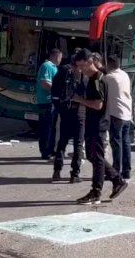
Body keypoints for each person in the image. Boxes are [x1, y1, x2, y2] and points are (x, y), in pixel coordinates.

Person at [71, 49, 128, 205]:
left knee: (97, 158)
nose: (80, 69)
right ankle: (117, 180)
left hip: (98, 124)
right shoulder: (92, 78)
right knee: (93, 156)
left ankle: (96, 192)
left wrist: (79, 100)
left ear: (90, 62)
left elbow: (98, 104)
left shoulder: (97, 79)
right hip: (93, 124)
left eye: (82, 66)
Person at [52, 54, 85, 183]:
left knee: (62, 142)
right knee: (78, 144)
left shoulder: (61, 73)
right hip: (79, 112)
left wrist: (60, 109)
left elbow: (54, 94)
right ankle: (74, 174)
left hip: (65, 111)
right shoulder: (83, 75)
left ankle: (57, 171)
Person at [105, 55, 134, 180]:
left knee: (116, 143)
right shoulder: (124, 75)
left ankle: (115, 171)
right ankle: (126, 170)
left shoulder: (109, 77)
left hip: (116, 114)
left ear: (109, 64)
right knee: (125, 143)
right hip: (127, 113)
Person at [36, 48, 62, 160]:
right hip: (46, 101)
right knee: (46, 128)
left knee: (52, 127)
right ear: (56, 56)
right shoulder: (47, 66)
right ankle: (45, 152)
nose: (60, 60)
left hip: (51, 101)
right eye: (60, 58)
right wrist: (57, 90)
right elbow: (44, 83)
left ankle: (50, 150)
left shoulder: (53, 67)